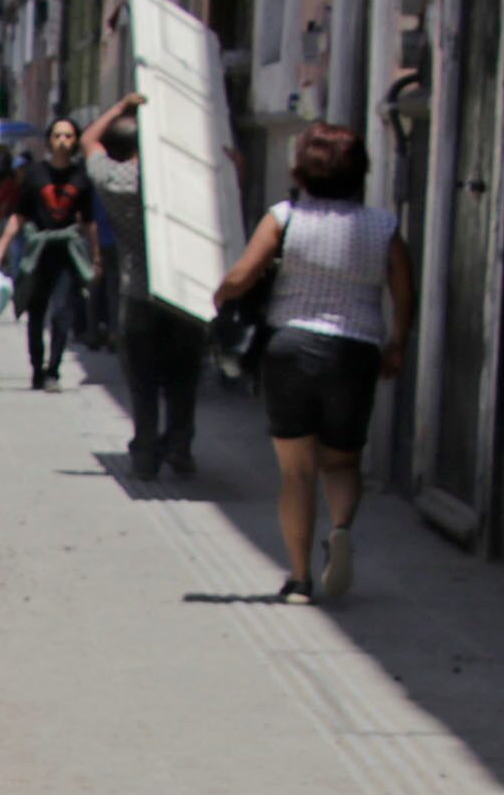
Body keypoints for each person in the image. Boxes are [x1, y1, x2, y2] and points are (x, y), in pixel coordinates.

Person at [214, 122, 415, 603]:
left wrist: (222, 296)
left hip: (290, 348)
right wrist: (397, 344)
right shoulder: (383, 227)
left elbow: (243, 275)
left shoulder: (284, 218)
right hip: (355, 351)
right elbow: (404, 292)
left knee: (297, 471)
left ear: (301, 171)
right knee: (342, 461)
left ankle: (300, 579)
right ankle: (340, 527)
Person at [81, 92, 203, 479]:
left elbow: (88, 140)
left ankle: (146, 452)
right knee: (183, 377)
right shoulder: (179, 182)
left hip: (137, 293)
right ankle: (179, 444)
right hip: (184, 296)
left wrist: (122, 105)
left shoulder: (115, 181)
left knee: (142, 381)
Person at [0, 115, 99, 390]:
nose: (62, 141)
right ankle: (37, 367)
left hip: (67, 255)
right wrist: (0, 248)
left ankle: (53, 371)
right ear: (49, 141)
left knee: (61, 314)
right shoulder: (35, 174)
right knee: (35, 313)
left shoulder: (81, 177)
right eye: (57, 135)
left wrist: (97, 256)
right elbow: (19, 215)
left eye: (68, 136)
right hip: (37, 254)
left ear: (75, 141)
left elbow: (88, 222)